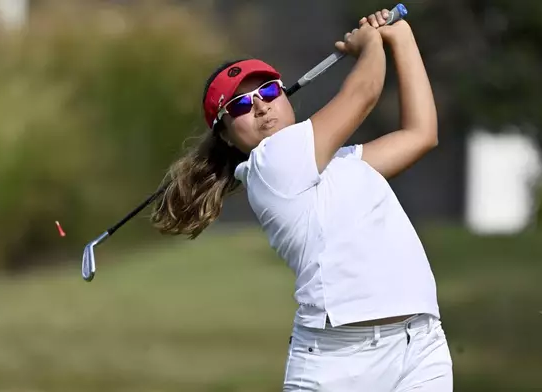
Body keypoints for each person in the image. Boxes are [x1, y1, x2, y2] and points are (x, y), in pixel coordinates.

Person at [151, 8, 453, 392]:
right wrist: (370, 43)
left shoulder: (343, 163)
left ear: (284, 95)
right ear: (225, 135)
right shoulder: (270, 164)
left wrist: (402, 36)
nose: (260, 106)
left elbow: (420, 133)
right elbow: (365, 92)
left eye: (269, 91)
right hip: (340, 363)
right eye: (240, 106)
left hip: (420, 345)